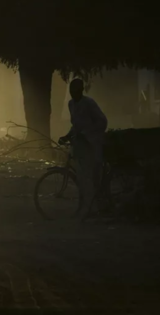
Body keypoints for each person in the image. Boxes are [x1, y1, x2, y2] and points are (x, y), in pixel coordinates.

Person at [58, 78, 108, 219]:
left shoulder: (89, 103)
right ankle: (92, 206)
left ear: (81, 91)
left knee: (91, 176)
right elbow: (76, 126)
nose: (74, 94)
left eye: (76, 91)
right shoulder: (71, 104)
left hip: (93, 143)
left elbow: (102, 121)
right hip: (81, 145)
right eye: (72, 92)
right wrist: (67, 136)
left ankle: (95, 207)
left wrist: (86, 133)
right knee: (83, 175)